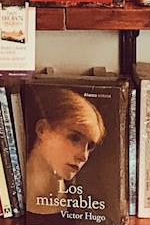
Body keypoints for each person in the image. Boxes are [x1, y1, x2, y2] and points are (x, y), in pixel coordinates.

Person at [25, 87, 105, 215]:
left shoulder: (87, 208)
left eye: (90, 146)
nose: (83, 156)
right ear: (42, 129)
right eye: (74, 138)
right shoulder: (9, 191)